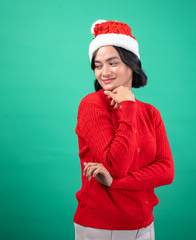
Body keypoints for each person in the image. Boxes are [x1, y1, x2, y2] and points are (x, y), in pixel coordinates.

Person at [73, 19, 174, 240]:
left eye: (113, 63)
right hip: (102, 226)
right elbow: (115, 165)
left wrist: (116, 183)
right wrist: (128, 106)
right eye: (98, 66)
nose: (104, 72)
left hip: (145, 224)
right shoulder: (92, 105)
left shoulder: (150, 113)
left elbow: (166, 171)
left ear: (132, 63)